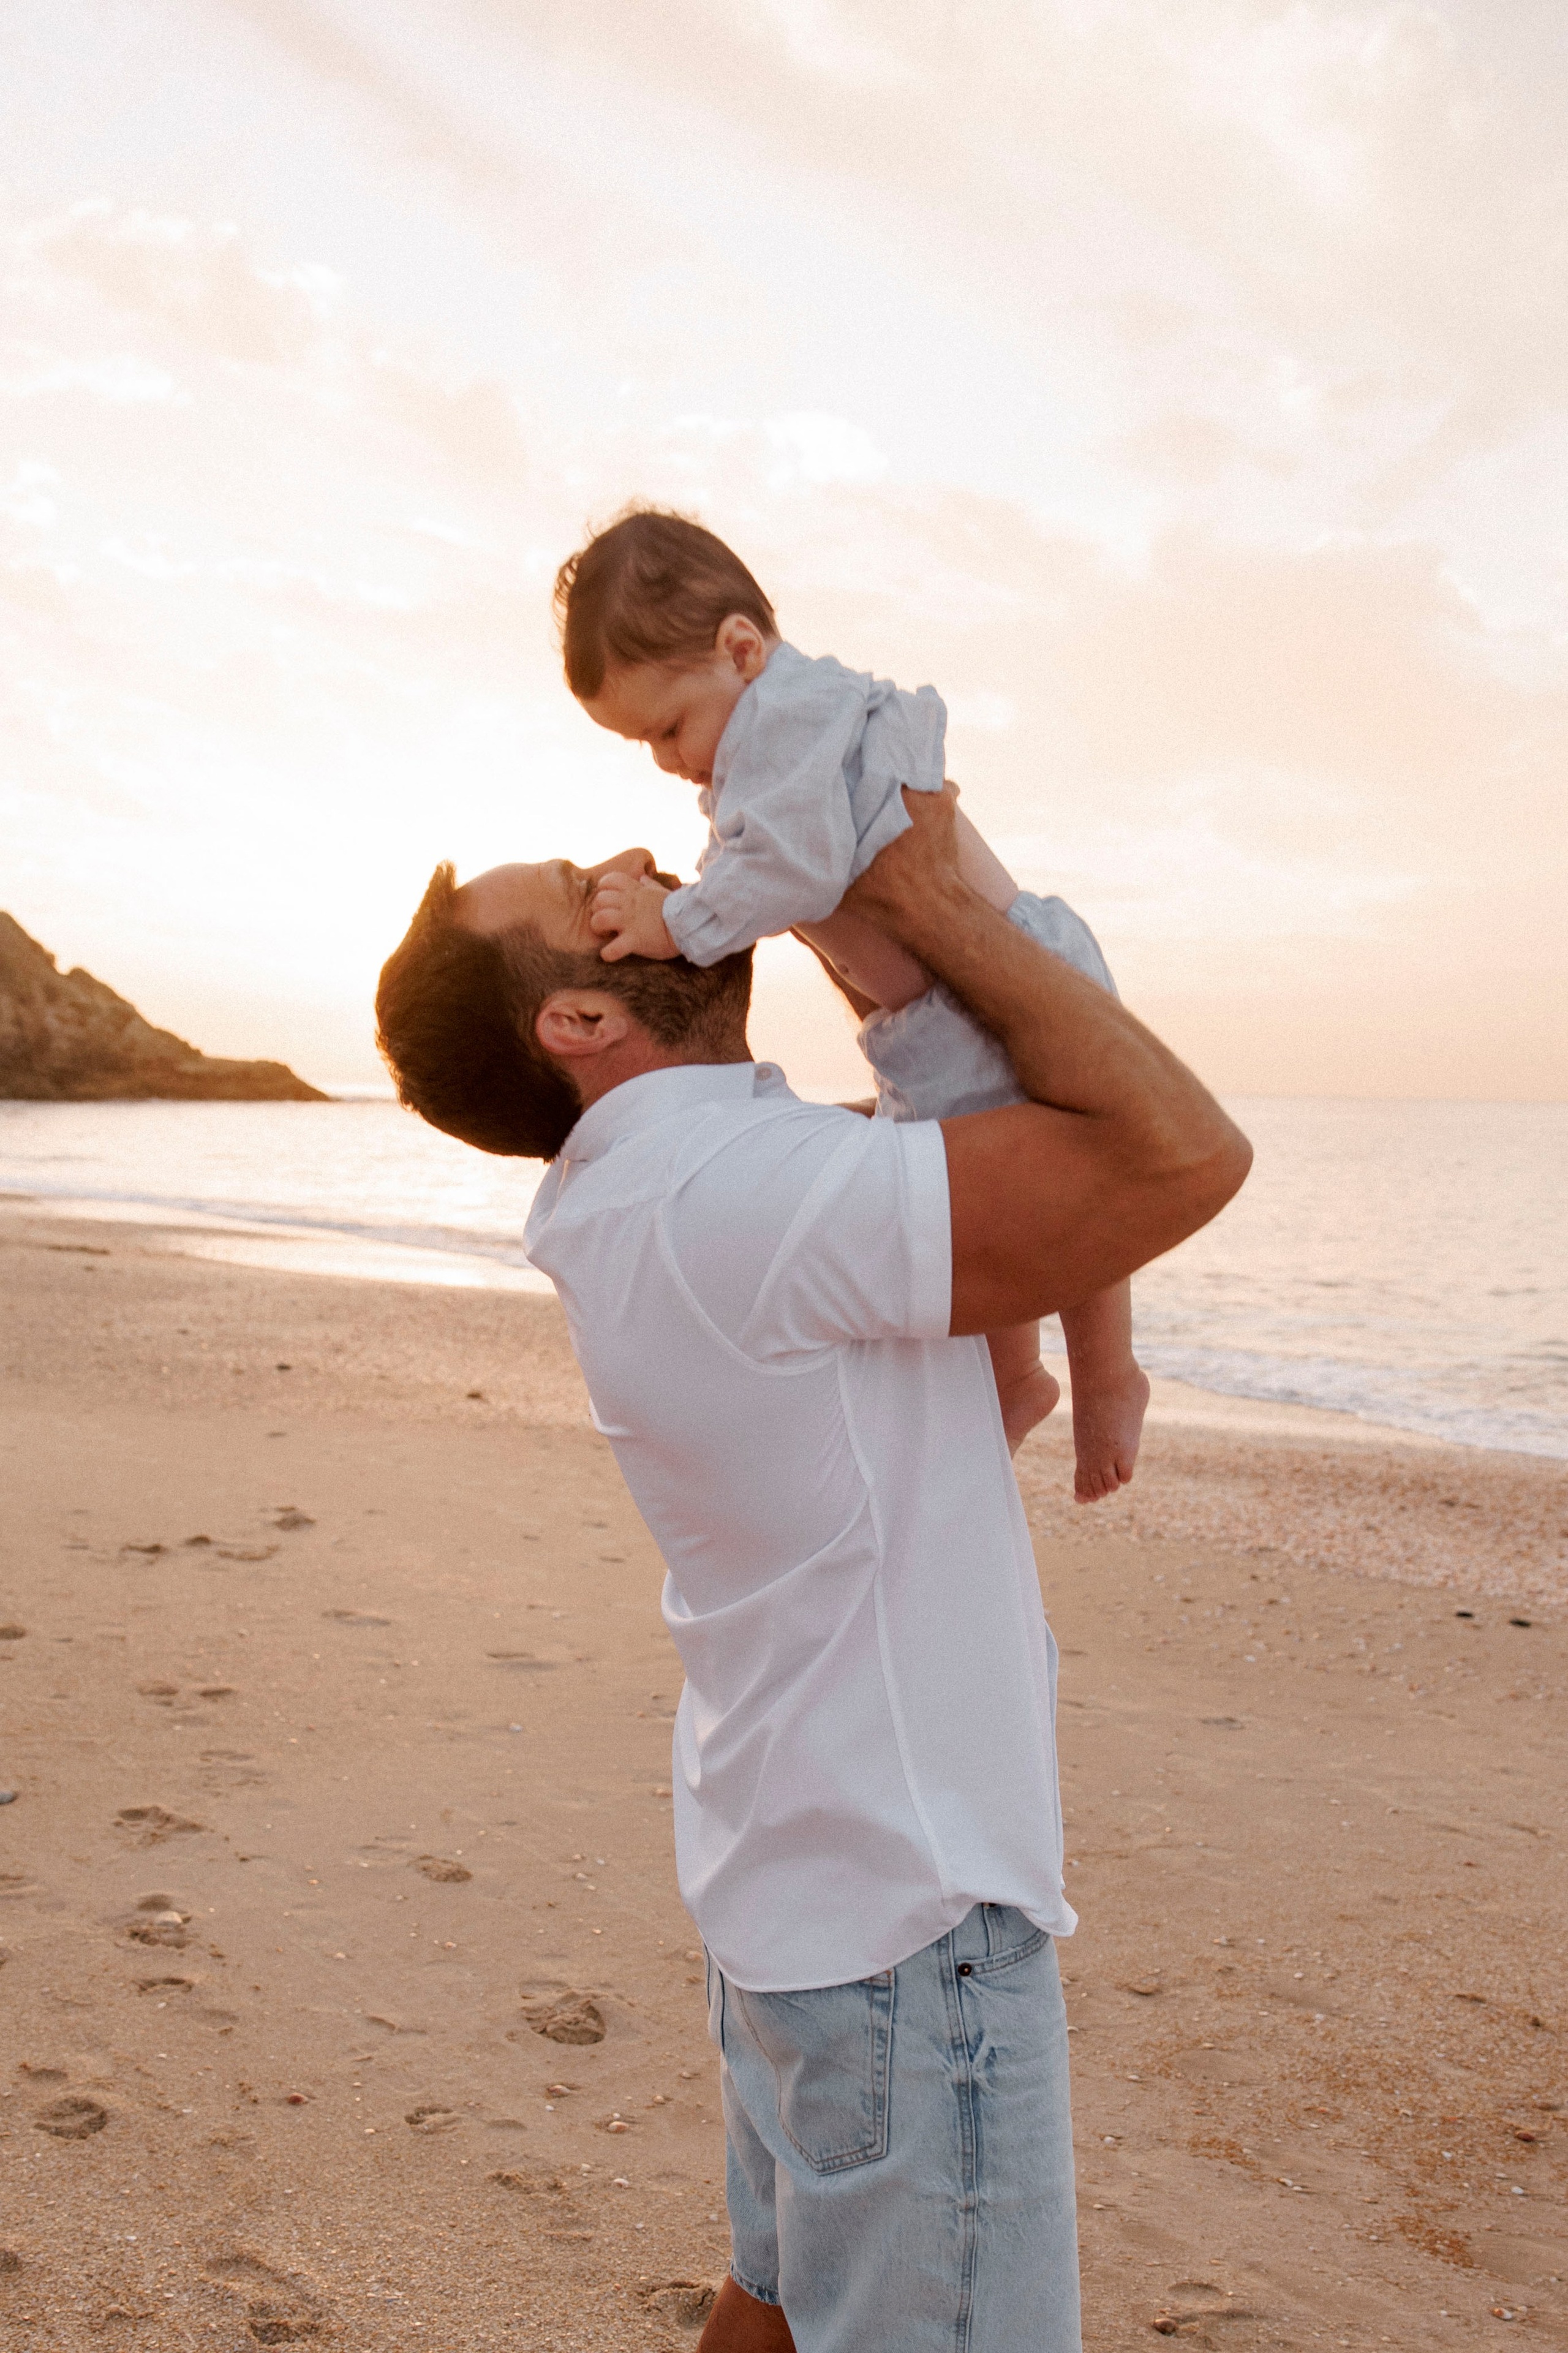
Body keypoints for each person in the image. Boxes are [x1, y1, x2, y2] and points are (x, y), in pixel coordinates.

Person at [374, 788, 1250, 2353]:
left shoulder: (645, 1193)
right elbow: (1175, 1155)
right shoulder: (735, 1196)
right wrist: (929, 897)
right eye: (587, 885)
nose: (638, 865)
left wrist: (862, 931)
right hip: (905, 1929)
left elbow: (979, 1195)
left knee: (774, 2303)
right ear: (579, 1014)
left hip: (799, 1892)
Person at [553, 507, 1148, 1496]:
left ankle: (1108, 1373)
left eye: (668, 727)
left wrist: (678, 922)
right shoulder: (758, 741)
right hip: (935, 1029)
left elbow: (797, 863)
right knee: (1008, 1211)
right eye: (642, 743)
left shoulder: (791, 716)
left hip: (1004, 984)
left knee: (1071, 1198)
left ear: (740, 649)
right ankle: (1018, 1376)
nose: (666, 759)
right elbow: (766, 861)